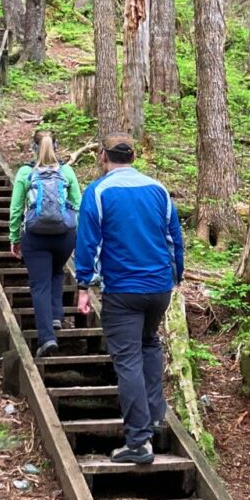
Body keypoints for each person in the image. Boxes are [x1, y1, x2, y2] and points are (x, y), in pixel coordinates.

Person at [74, 134, 185, 465]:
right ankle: (152, 417)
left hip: (123, 289)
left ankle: (138, 441)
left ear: (103, 157)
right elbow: (174, 239)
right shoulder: (158, 190)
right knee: (149, 343)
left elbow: (88, 242)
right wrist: (175, 276)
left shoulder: (99, 191)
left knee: (128, 359)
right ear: (134, 156)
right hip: (159, 287)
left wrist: (84, 285)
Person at [10, 130, 82, 359]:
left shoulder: (25, 172)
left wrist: (14, 238)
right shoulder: (67, 171)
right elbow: (78, 205)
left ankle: (47, 338)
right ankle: (56, 316)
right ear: (56, 146)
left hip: (36, 236)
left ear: (33, 147)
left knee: (39, 284)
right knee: (57, 272)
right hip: (64, 235)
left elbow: (15, 209)